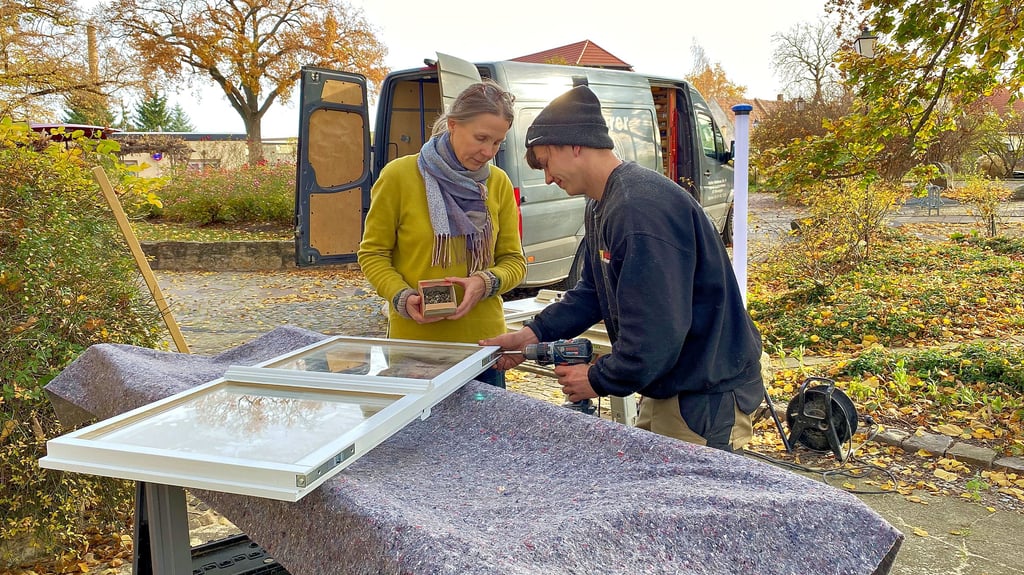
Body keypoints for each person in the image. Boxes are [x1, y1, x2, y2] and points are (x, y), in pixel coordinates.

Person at [482, 85, 764, 451]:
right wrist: (530, 336)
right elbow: (592, 293)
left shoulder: (638, 208)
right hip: (671, 386)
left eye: (545, 161)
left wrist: (597, 379)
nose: (547, 177)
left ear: (575, 145)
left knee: (686, 502)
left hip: (704, 394)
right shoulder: (603, 203)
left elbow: (657, 331)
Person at [358, 80, 526, 388]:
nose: (488, 151)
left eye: (497, 142)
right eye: (481, 138)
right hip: (415, 349)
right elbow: (373, 254)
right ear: (452, 125)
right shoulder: (398, 176)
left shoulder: (498, 183)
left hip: (483, 347)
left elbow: (515, 262)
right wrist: (401, 296)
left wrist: (484, 282)